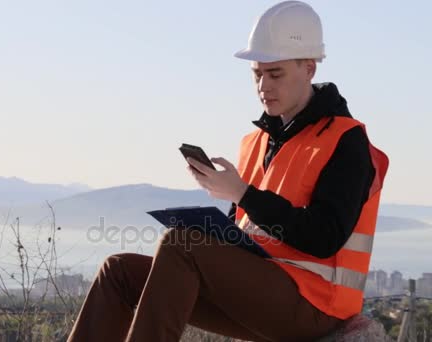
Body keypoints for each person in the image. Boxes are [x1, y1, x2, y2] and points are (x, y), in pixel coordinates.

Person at [67, 1, 389, 341]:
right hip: (259, 296)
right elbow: (245, 234)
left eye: (275, 74)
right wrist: (222, 212)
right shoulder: (255, 142)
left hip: (317, 307)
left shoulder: (345, 139)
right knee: (118, 271)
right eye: (257, 74)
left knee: (181, 244)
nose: (263, 85)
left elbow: (324, 237)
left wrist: (242, 194)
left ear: (309, 68)